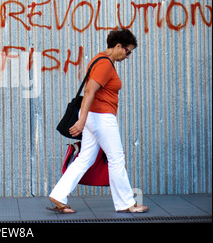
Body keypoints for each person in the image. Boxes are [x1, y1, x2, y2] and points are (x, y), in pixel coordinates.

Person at [49, 28, 148, 213]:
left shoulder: (100, 59)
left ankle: (58, 194)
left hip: (94, 118)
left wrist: (84, 120)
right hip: (101, 117)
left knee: (85, 158)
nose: (128, 56)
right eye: (128, 51)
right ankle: (126, 203)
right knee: (116, 159)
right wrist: (82, 120)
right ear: (118, 46)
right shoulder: (105, 64)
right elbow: (89, 91)